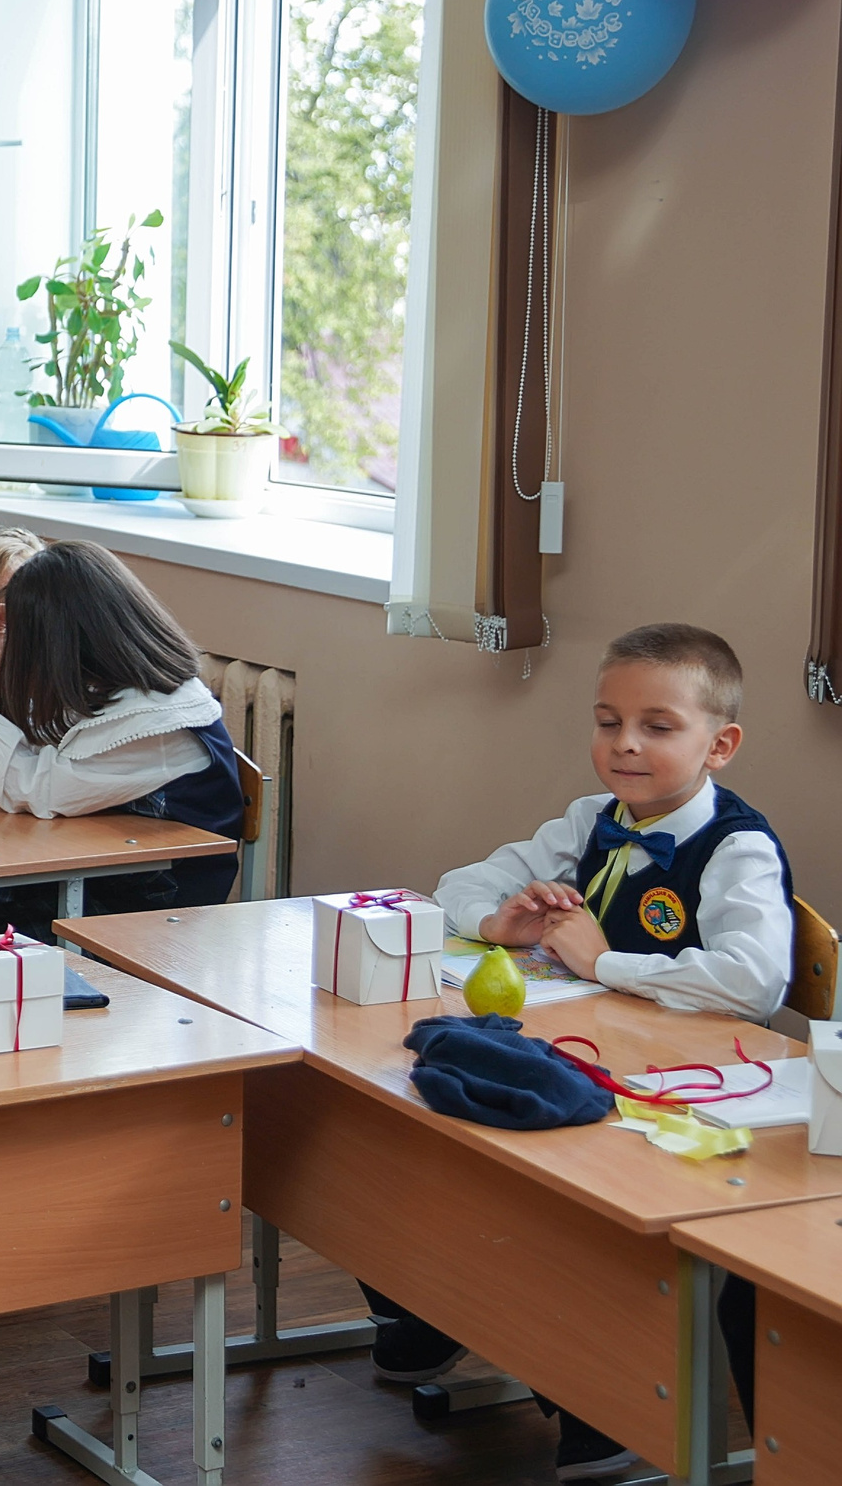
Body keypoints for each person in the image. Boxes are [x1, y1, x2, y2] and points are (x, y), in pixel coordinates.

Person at [366, 623, 788, 1483]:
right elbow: (459, 887)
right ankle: (440, 1310)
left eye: (658, 726)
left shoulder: (736, 848)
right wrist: (504, 921)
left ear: (722, 744)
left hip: (692, 1095)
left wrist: (603, 959)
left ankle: (598, 1398)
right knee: (415, 1122)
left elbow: (753, 982)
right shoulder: (592, 820)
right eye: (607, 721)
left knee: (544, 1183)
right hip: (599, 1050)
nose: (625, 744)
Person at [0, 538, 242, 936]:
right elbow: (33, 742)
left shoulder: (153, 719)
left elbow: (33, 788)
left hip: (153, 903)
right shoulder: (109, 679)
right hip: (100, 862)